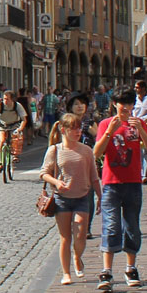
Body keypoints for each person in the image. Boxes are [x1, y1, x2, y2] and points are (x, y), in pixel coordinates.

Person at [92, 92, 147, 293]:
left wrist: (141, 131)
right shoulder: (106, 124)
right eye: (121, 104)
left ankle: (130, 268)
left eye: (129, 104)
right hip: (112, 183)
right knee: (111, 226)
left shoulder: (139, 124)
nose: (125, 108)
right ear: (114, 104)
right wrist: (110, 132)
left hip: (133, 182)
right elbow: (96, 153)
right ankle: (106, 271)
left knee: (132, 226)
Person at [40, 112, 96, 284]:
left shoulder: (86, 150)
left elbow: (94, 176)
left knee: (80, 233)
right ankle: (66, 273)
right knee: (65, 237)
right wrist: (56, 182)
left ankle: (77, 256)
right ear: (63, 130)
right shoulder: (55, 150)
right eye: (73, 129)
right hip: (62, 199)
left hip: (82, 197)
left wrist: (101, 197)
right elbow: (44, 173)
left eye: (79, 128)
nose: (78, 131)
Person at [0, 88, 28, 166]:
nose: (5, 101)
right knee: (2, 141)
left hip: (14, 125)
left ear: (12, 99)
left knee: (16, 138)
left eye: (7, 99)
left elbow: (24, 119)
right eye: (4, 99)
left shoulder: (17, 105)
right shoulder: (0, 105)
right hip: (2, 126)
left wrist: (20, 128)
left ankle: (15, 155)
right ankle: (1, 161)